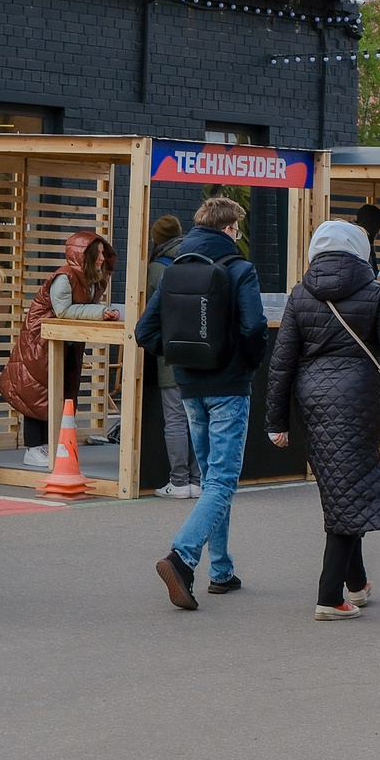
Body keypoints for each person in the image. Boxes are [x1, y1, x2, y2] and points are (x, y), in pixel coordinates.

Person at [266, 219, 380, 621]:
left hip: (312, 401)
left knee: (343, 487)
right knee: (351, 487)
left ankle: (356, 584)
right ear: (360, 251)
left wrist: (277, 422)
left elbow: (282, 362)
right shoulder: (376, 293)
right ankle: (329, 596)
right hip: (358, 400)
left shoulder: (300, 293)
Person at [139, 196, 267, 610]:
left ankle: (222, 571)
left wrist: (179, 359)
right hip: (229, 386)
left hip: (188, 385)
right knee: (223, 481)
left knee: (214, 479)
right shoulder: (240, 269)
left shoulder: (175, 270)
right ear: (229, 229)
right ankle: (182, 556)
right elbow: (255, 328)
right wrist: (243, 364)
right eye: (238, 229)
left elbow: (145, 330)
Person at [2, 230, 115, 468]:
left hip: (62, 343)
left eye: (104, 253)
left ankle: (50, 444)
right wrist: (100, 312)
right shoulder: (64, 277)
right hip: (40, 342)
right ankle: (34, 447)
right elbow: (63, 310)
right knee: (37, 393)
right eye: (99, 253)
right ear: (85, 255)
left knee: (59, 392)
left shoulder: (90, 279)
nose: (103, 258)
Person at [140, 216, 199, 500]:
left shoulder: (156, 269)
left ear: (156, 239)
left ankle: (178, 481)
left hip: (170, 352)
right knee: (198, 418)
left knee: (175, 419)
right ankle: (198, 480)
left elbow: (149, 315)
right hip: (201, 351)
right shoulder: (198, 259)